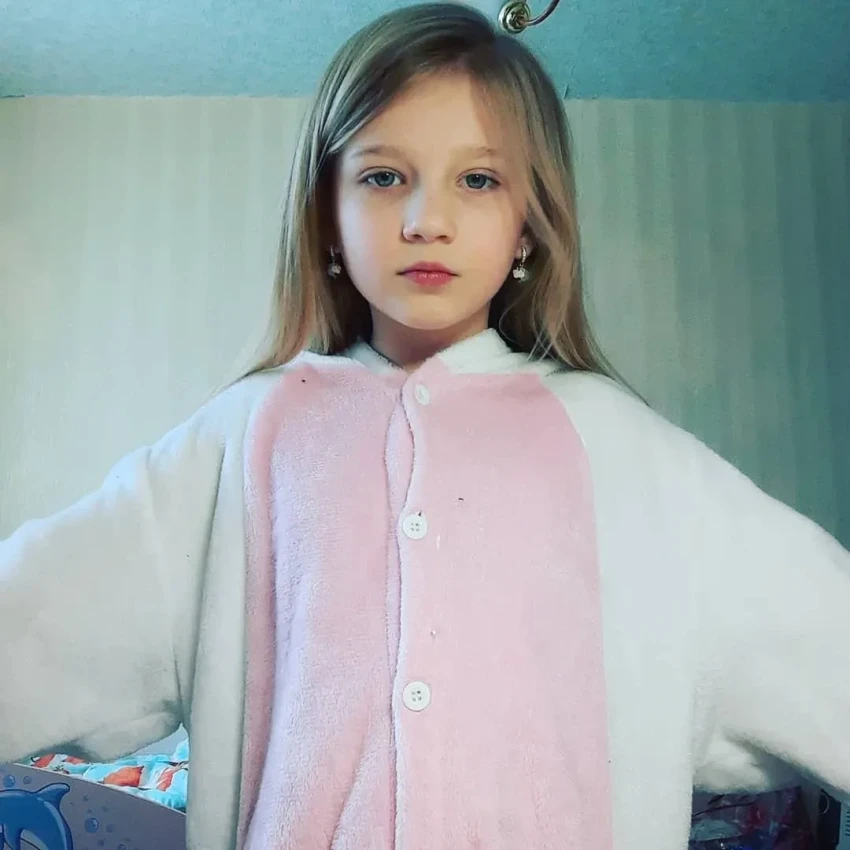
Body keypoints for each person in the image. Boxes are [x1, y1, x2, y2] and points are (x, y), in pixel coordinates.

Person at [1, 3, 848, 849]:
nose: (426, 221)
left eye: (478, 180)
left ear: (529, 224)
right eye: (382, 177)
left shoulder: (623, 449)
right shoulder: (244, 438)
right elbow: (34, 620)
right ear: (326, 217)